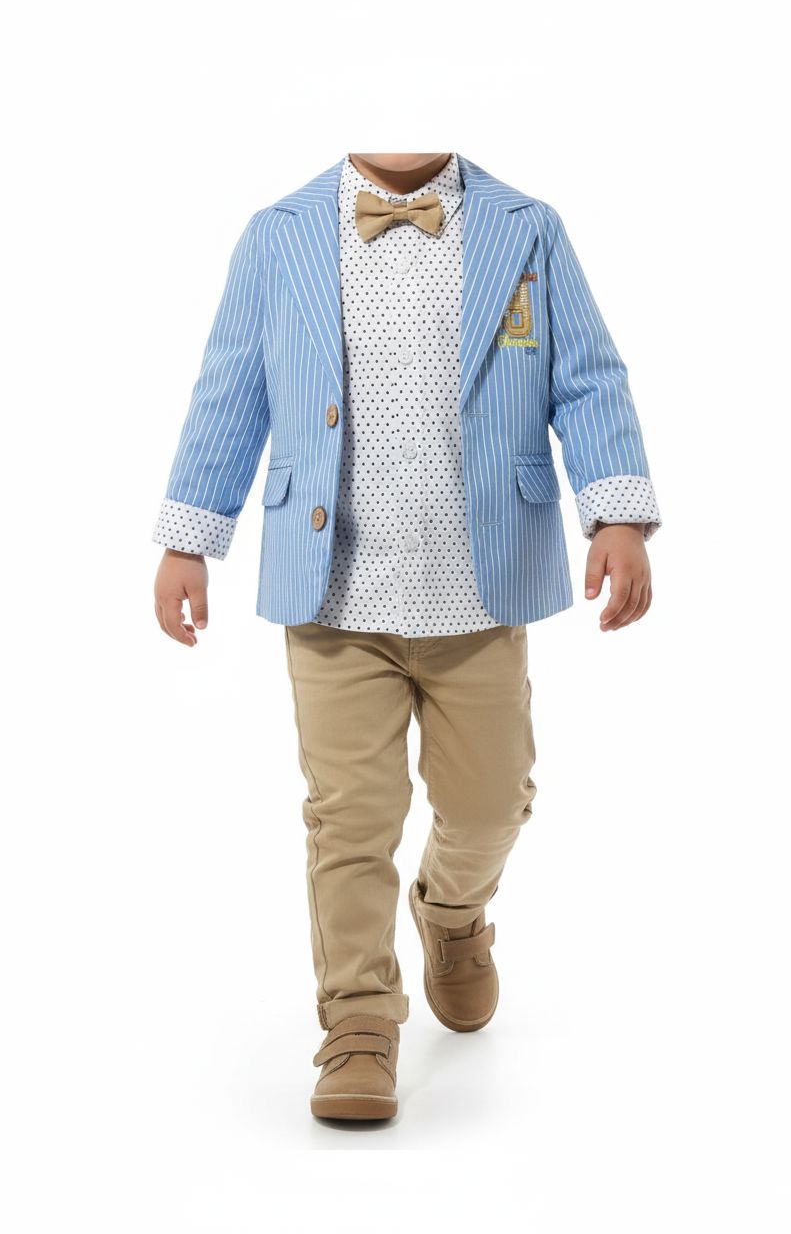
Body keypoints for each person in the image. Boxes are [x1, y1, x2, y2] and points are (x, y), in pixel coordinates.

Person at [152, 152, 661, 1121]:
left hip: (479, 590)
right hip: (333, 595)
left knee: (491, 802)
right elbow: (230, 390)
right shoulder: (278, 234)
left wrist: (618, 514)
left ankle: (452, 911)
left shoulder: (526, 226)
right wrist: (190, 539)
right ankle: (357, 1021)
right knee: (349, 817)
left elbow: (588, 379)